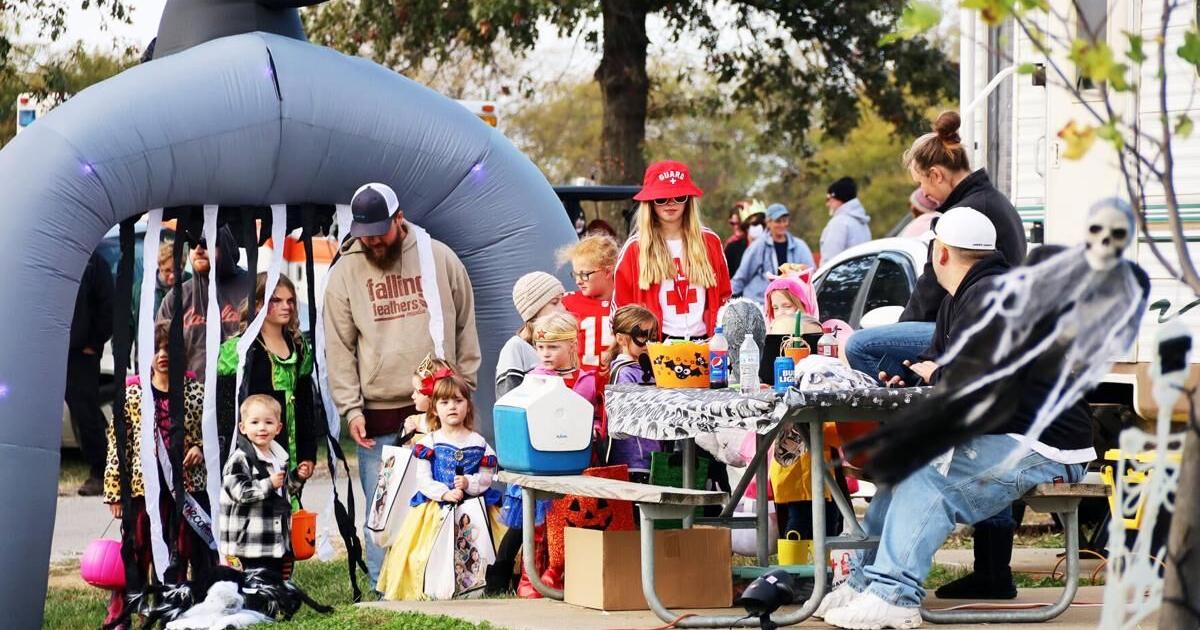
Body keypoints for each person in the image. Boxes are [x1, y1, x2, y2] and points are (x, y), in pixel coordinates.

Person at [818, 208, 1094, 629]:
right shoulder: (964, 297)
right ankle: (863, 584)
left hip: (1047, 445)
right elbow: (939, 364)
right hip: (1017, 433)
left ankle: (894, 595)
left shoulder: (992, 298)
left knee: (928, 475)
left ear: (941, 253)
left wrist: (940, 375)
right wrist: (910, 375)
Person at [324, 182, 482, 587]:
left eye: (381, 230)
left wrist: (464, 389)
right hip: (379, 411)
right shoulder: (344, 271)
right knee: (383, 508)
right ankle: (383, 590)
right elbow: (338, 346)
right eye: (366, 234)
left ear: (400, 218)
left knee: (443, 499)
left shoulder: (438, 258)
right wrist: (351, 408)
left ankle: (443, 582)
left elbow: (465, 324)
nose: (374, 241)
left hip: (439, 407)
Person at [846, 111, 1025, 395]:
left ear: (937, 174)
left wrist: (899, 332)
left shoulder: (963, 215)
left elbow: (928, 291)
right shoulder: (996, 203)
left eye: (922, 182)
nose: (924, 193)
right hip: (991, 324)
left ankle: (907, 425)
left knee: (860, 344)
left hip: (974, 327)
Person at [102, 324, 212, 626]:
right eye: (157, 349)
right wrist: (114, 492)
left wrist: (200, 447)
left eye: (170, 349)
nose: (163, 355)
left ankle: (175, 608)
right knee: (137, 551)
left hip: (184, 491)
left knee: (182, 548)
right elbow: (118, 444)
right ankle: (125, 612)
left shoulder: (194, 391)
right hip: (143, 489)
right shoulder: (134, 394)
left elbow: (209, 432)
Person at [376, 373, 501, 600]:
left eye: (458, 401)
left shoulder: (479, 443)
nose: (452, 407)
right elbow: (423, 479)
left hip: (473, 509)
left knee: (476, 548)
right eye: (444, 402)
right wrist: (444, 492)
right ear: (434, 409)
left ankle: (474, 587)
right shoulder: (428, 443)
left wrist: (469, 484)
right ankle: (434, 587)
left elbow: (486, 477)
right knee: (426, 552)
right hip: (435, 509)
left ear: (468, 406)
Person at [216, 273, 316, 489]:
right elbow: (224, 411)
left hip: (291, 447)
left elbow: (307, 405)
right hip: (254, 451)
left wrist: (308, 453)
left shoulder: (299, 347)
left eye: (290, 301)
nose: (286, 306)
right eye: (276, 301)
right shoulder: (237, 350)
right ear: (259, 303)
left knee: (289, 516)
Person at [613, 160, 732, 340]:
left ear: (688, 201)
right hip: (656, 346)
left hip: (706, 343)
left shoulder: (710, 242)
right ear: (650, 203)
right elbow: (621, 308)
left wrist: (721, 339)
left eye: (679, 197)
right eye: (661, 199)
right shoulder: (635, 248)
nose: (670, 203)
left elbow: (725, 298)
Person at [220, 394, 306, 578]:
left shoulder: (279, 457)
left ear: (278, 428)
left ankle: (272, 607)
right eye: (255, 422)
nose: (262, 428)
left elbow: (284, 490)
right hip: (248, 544)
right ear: (242, 428)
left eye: (268, 422)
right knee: (251, 588)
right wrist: (269, 484)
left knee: (273, 584)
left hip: (274, 542)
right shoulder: (239, 459)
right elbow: (240, 492)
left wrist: (297, 477)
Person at [156, 226, 251, 380]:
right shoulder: (176, 298)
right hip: (191, 396)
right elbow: (159, 348)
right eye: (192, 244)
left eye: (206, 243)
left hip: (243, 394)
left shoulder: (252, 288)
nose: (198, 250)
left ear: (225, 246)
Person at [69, 250, 115, 496]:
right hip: (49, 348)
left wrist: (94, 343)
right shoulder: (49, 255)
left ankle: (101, 471)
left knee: (84, 410)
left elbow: (108, 305)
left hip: (81, 352)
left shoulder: (95, 262)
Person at [605, 305, 661, 482]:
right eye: (642, 337)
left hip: (653, 455)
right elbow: (627, 417)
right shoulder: (624, 372)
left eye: (653, 337)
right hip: (632, 460)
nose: (649, 344)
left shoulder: (649, 366)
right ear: (621, 339)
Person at [495, 272, 566, 398]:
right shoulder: (515, 348)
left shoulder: (563, 344)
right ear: (534, 310)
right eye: (555, 302)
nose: (563, 308)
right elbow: (508, 405)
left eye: (562, 301)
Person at [731, 203, 815, 302]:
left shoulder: (799, 246)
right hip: (761, 303)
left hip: (790, 304)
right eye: (778, 221)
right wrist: (728, 298)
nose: (782, 225)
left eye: (784, 221)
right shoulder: (758, 246)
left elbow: (811, 273)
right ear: (768, 222)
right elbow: (742, 275)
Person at [559, 234, 618, 370]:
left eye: (584, 274)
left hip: (618, 384)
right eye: (575, 274)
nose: (578, 281)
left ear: (608, 271)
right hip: (579, 385)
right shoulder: (566, 303)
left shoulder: (627, 302)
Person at [819, 177, 872, 262]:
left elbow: (830, 261)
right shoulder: (863, 223)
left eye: (828, 199)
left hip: (842, 274)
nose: (827, 204)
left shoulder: (839, 223)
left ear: (838, 198)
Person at [724, 205, 749, 273]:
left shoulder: (756, 243)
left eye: (739, 223)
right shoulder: (730, 244)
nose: (736, 227)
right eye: (733, 223)